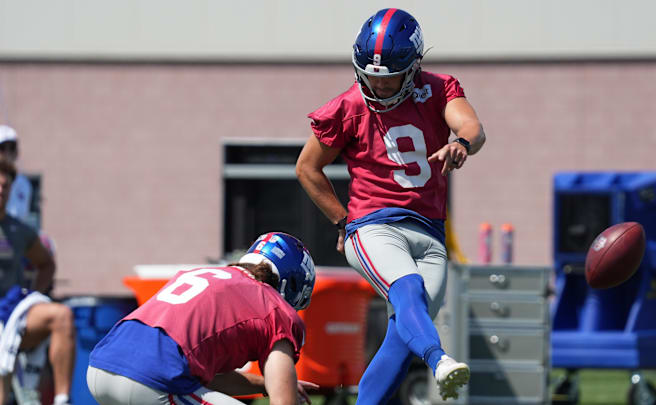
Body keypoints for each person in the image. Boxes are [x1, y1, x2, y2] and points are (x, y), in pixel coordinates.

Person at [295, 8, 486, 403]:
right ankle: (439, 361)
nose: (378, 86)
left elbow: (471, 127)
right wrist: (343, 221)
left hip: (430, 231)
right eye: (371, 76)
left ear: (414, 68)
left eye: (389, 78)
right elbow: (308, 168)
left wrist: (460, 144)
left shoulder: (438, 89)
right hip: (373, 224)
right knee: (408, 289)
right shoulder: (348, 106)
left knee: (403, 334)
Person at [86, 232, 319, 405]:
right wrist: (283, 389)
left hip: (100, 368)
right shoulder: (277, 309)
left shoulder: (201, 273)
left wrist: (265, 384)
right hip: (152, 377)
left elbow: (199, 377)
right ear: (293, 282)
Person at [0, 158, 75, 405]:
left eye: (5, 186)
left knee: (61, 316)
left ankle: (62, 399)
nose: (1, 190)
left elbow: (47, 263)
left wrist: (32, 294)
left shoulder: (18, 230)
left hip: (12, 314)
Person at [0, 125, 37, 229]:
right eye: (2, 148)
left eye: (11, 148)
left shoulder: (24, 184)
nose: (7, 153)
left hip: (14, 239)